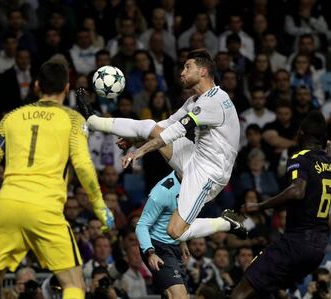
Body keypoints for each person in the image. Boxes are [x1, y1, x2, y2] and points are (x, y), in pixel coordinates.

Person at [0, 55, 114, 299]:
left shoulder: (11, 117)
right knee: (74, 284)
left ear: (36, 86)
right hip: (45, 208)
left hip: (7, 205)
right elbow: (83, 165)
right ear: (66, 88)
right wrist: (99, 205)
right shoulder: (73, 119)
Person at [77, 48, 246, 244]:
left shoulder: (214, 102)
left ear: (202, 71)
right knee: (150, 125)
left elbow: (171, 134)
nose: (182, 72)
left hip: (209, 174)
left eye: (187, 67)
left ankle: (226, 223)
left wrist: (138, 151)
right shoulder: (195, 100)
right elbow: (167, 124)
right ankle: (94, 121)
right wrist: (135, 139)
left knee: (175, 232)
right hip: (194, 155)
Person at [230, 110, 331, 299]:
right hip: (317, 250)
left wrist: (259, 206)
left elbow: (297, 191)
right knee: (267, 292)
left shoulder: (299, 158)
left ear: (301, 133)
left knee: (242, 290)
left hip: (296, 242)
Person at [135, 171, 190, 299]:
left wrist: (182, 241)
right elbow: (141, 225)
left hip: (174, 246)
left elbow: (181, 216)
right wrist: (150, 253)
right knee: (178, 297)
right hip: (157, 246)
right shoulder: (162, 191)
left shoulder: (192, 185)